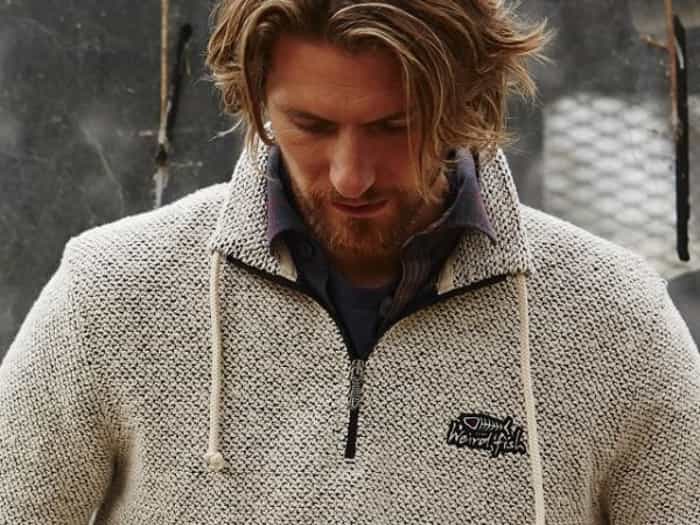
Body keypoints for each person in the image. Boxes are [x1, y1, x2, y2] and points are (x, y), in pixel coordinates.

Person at [1, 1, 698, 523]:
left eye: (395, 126)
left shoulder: (615, 320)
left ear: (469, 103)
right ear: (255, 100)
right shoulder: (113, 292)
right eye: (311, 126)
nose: (351, 176)